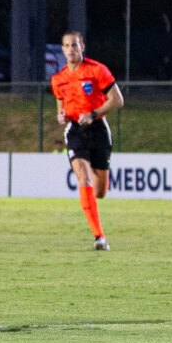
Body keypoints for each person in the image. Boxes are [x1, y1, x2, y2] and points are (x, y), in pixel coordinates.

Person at [51, 30, 124, 251]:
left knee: (100, 192)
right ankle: (99, 237)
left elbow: (118, 100)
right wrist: (61, 116)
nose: (70, 49)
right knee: (83, 178)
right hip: (75, 132)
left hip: (98, 129)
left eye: (74, 45)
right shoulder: (58, 79)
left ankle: (92, 182)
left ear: (83, 47)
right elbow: (60, 108)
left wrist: (93, 114)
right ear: (62, 50)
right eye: (66, 46)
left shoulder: (97, 70)